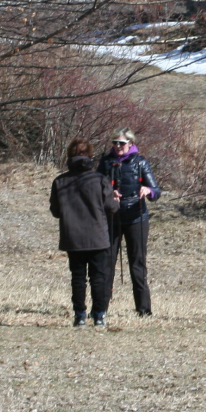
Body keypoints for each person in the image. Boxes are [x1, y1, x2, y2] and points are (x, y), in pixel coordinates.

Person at [50, 138, 121, 327]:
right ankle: (99, 315)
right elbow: (111, 208)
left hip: (72, 237)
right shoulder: (98, 179)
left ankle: (79, 315)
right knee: (99, 276)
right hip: (97, 236)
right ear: (90, 156)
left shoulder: (60, 181)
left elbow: (56, 212)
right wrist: (116, 200)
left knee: (78, 277)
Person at [97, 128, 160, 317]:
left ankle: (144, 310)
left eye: (121, 143)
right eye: (114, 142)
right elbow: (95, 187)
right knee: (106, 263)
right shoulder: (105, 162)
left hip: (136, 218)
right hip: (111, 218)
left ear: (130, 144)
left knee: (137, 264)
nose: (117, 146)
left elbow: (156, 191)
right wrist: (108, 193)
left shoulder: (140, 163)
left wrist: (147, 191)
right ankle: (101, 309)